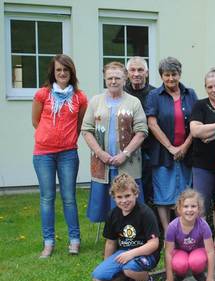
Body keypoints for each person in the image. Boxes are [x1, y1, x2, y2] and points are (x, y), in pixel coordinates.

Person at [32, 54, 88, 258]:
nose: (62, 73)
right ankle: (48, 243)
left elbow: (80, 124)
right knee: (47, 198)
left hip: (68, 154)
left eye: (66, 70)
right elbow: (35, 121)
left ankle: (74, 240)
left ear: (71, 72)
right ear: (53, 72)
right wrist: (49, 137)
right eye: (58, 70)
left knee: (69, 198)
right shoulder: (42, 94)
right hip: (43, 154)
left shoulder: (80, 98)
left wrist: (66, 139)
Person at [82, 61, 148, 223]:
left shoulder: (134, 102)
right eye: (109, 78)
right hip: (102, 163)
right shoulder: (96, 101)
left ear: (125, 79)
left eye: (117, 78)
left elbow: (141, 131)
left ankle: (131, 234)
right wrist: (100, 153)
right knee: (105, 204)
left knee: (128, 198)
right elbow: (86, 129)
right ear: (104, 79)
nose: (113, 81)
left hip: (127, 163)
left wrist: (125, 154)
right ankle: (111, 235)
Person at [145, 57, 197, 233]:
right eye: (166, 75)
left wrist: (185, 146)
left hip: (186, 151)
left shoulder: (190, 94)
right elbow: (152, 124)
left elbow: (196, 123)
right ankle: (168, 233)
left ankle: (183, 229)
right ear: (161, 76)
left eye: (174, 74)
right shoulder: (154, 96)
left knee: (184, 192)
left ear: (179, 74)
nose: (170, 79)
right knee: (163, 193)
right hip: (162, 152)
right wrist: (170, 147)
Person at [91, 173, 161, 281]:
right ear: (114, 198)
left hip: (146, 253)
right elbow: (111, 243)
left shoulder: (145, 213)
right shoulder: (113, 215)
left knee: (130, 268)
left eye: (128, 195)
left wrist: (131, 254)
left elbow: (154, 244)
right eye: (119, 197)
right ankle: (131, 279)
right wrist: (108, 263)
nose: (124, 201)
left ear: (136, 194)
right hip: (124, 252)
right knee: (98, 278)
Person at [190, 68, 215, 257]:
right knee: (202, 204)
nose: (213, 89)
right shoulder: (200, 106)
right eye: (209, 86)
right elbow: (196, 132)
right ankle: (201, 241)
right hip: (202, 164)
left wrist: (210, 133)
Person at [163, 189, 215, 281]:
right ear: (179, 208)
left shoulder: (203, 225)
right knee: (179, 264)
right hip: (180, 251)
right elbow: (168, 253)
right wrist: (169, 278)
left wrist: (210, 278)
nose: (189, 210)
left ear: (199, 209)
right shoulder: (173, 226)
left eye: (193, 206)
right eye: (186, 206)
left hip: (198, 251)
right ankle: (179, 276)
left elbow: (211, 252)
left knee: (196, 261)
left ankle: (199, 274)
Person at [124, 57, 156, 207]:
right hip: (126, 150)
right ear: (127, 73)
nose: (136, 74)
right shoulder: (121, 93)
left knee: (148, 189)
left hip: (150, 149)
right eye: (133, 70)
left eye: (140, 70)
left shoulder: (155, 94)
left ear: (147, 72)